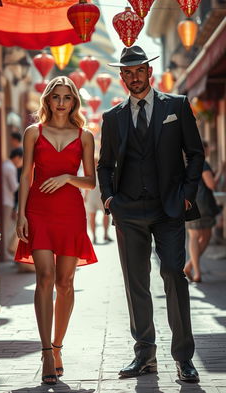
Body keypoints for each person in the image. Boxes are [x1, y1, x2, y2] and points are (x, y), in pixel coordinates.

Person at [97, 46, 204, 383]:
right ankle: (144, 355)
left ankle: (184, 358)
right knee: (135, 283)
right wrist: (109, 199)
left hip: (168, 207)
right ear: (122, 77)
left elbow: (195, 154)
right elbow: (105, 165)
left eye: (138, 70)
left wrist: (187, 194)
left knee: (174, 274)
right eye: (127, 72)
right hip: (128, 210)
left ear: (149, 72)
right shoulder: (112, 118)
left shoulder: (177, 106)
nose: (133, 77)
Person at [15, 76, 97, 385]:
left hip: (70, 211)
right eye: (56, 96)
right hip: (38, 210)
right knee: (45, 277)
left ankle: (59, 345)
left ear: (74, 101)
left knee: (65, 281)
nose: (61, 102)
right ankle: (46, 351)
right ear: (47, 100)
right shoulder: (33, 133)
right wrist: (20, 214)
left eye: (67, 97)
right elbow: (26, 176)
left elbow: (89, 181)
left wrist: (66, 178)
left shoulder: (85, 136)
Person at [184, 140, 224, 282]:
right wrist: (219, 171)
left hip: (190, 201)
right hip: (203, 204)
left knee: (193, 236)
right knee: (205, 238)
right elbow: (211, 184)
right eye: (207, 149)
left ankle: (192, 268)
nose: (208, 152)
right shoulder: (203, 164)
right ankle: (194, 270)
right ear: (204, 150)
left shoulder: (188, 163)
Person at [85, 158, 113, 244]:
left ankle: (105, 234)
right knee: (92, 216)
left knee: (106, 214)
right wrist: (86, 196)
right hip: (92, 195)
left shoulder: (101, 170)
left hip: (100, 195)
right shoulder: (89, 170)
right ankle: (94, 236)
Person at [2, 147, 23, 261]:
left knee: (7, 228)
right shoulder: (10, 167)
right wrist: (24, 185)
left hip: (6, 201)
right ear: (17, 157)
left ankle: (6, 252)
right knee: (6, 229)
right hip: (7, 201)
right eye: (21, 160)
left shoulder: (6, 165)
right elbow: (14, 186)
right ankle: (5, 253)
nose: (21, 163)